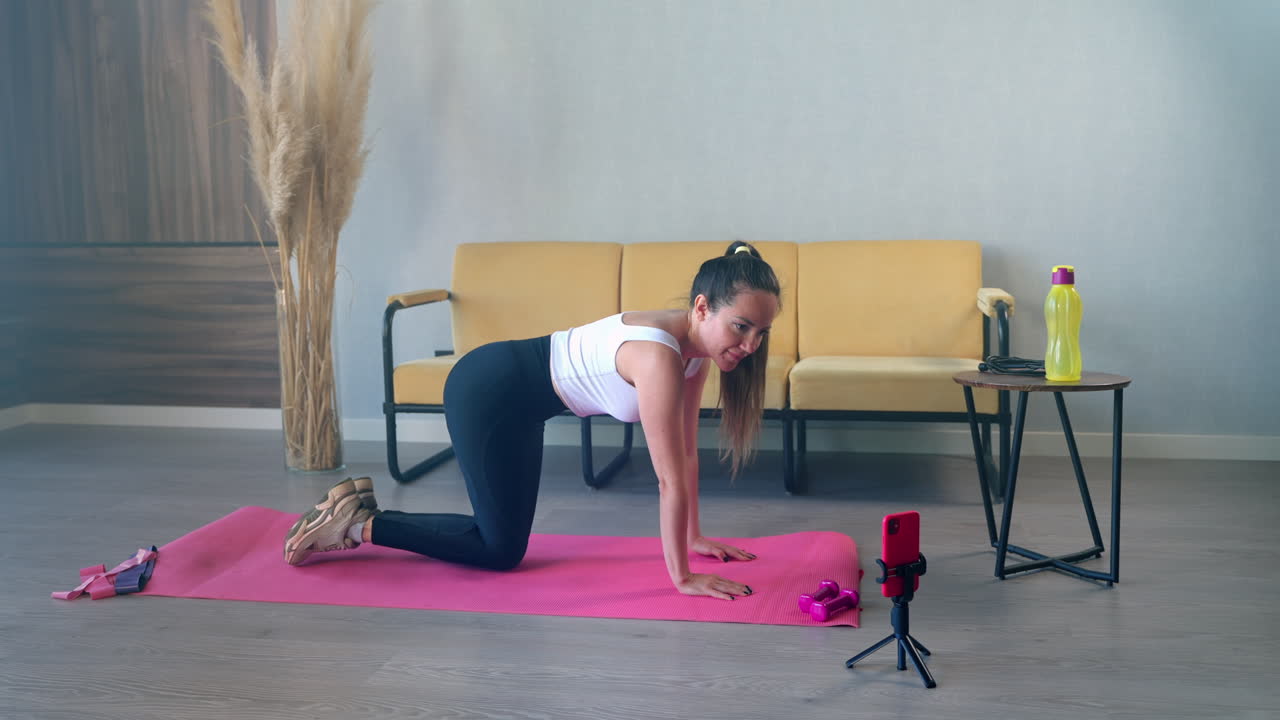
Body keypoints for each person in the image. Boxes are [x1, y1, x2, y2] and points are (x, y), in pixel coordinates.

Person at [284, 241, 782, 600]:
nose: (751, 345)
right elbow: (668, 478)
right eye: (741, 327)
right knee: (498, 550)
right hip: (488, 389)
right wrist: (681, 577)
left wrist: (694, 538)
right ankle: (359, 525)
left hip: (524, 405)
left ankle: (356, 512)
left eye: (761, 332)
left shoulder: (694, 352)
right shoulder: (659, 358)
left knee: (502, 544)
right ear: (701, 307)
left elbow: (688, 453)